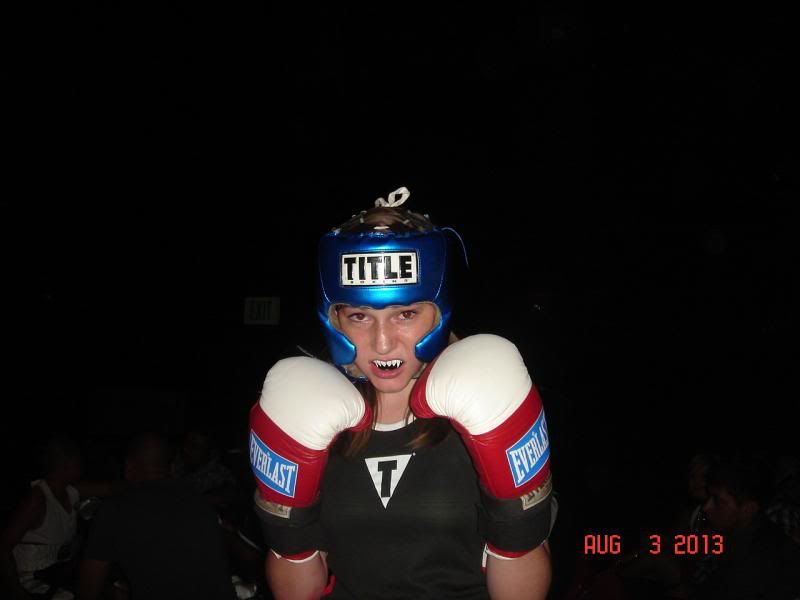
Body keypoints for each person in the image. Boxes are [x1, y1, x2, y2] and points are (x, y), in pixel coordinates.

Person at [249, 187, 555, 599]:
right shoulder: (302, 411)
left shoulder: (489, 399)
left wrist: (518, 521)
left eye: (405, 314)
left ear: (438, 311)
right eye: (359, 316)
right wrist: (286, 530)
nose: (383, 343)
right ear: (335, 319)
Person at [78, 432, 236, 600]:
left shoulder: (115, 510)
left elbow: (88, 590)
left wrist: (109, 591)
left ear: (128, 467)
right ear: (171, 467)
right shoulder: (199, 501)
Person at [0, 435, 83, 600]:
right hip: (31, 580)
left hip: (58, 576)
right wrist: (17, 592)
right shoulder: (37, 499)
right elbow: (3, 547)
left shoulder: (71, 492)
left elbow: (110, 489)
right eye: (79, 460)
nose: (82, 465)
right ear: (67, 464)